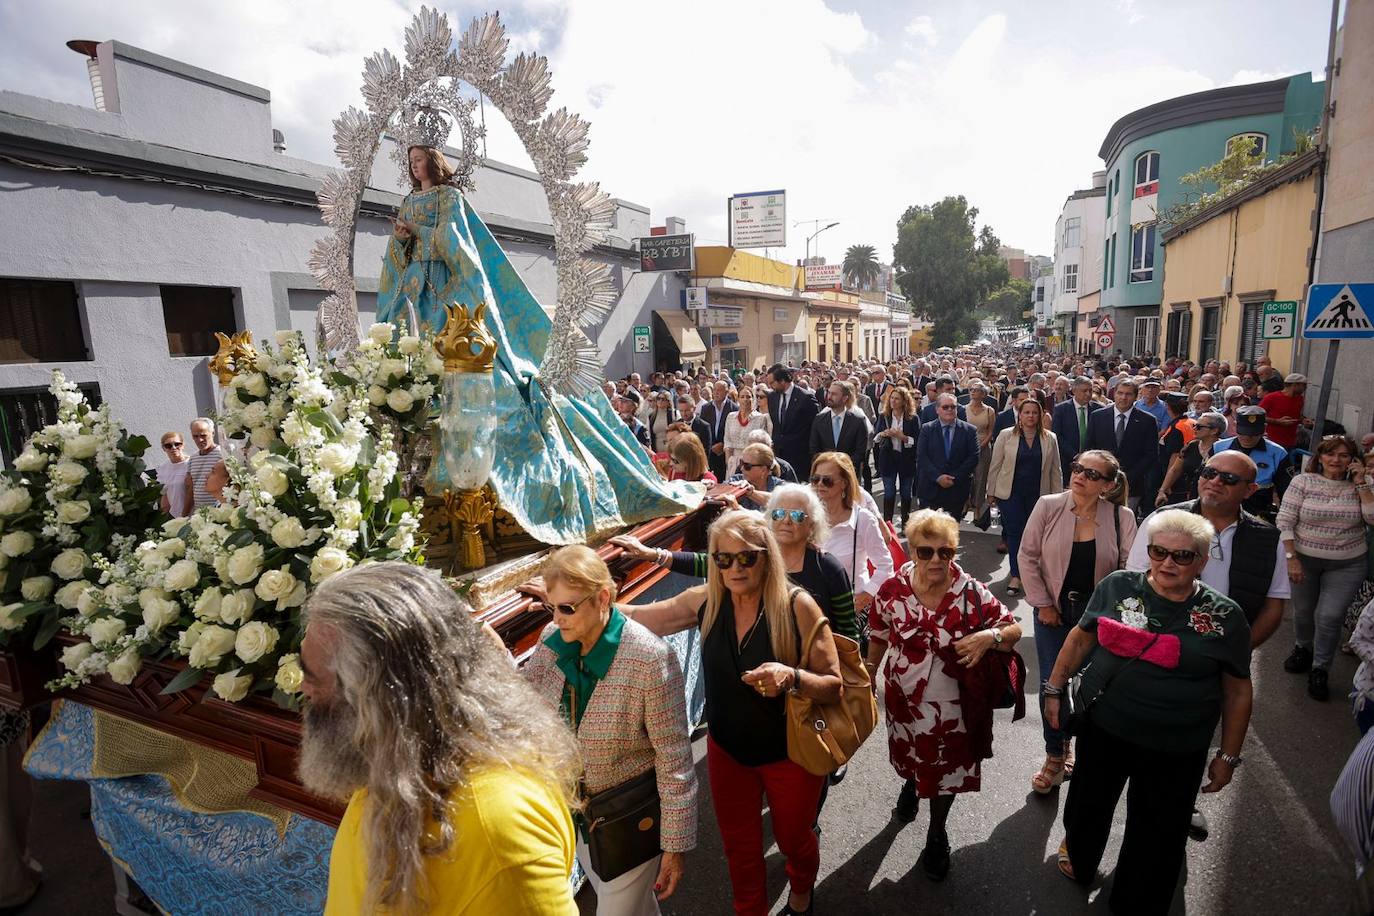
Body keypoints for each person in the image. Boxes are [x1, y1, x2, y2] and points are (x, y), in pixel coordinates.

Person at [299, 562, 581, 915]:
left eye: (311, 676)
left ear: (374, 698)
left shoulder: (499, 832)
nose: (302, 689)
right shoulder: (391, 757)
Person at [622, 511, 842, 916]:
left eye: (747, 557)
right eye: (723, 559)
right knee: (739, 848)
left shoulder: (798, 606)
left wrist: (791, 676)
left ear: (767, 557)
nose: (734, 568)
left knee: (794, 838)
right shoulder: (706, 600)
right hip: (728, 754)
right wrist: (568, 598)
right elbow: (636, 618)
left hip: (790, 754)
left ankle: (802, 889)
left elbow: (833, 683)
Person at [1044, 510, 1252, 915]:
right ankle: (1082, 859)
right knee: (1087, 805)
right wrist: (1054, 689)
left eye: (1182, 556)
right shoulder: (1119, 586)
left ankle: (1133, 899)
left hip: (1177, 746)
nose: (1168, 563)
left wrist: (1226, 756)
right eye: (1159, 552)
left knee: (1157, 833)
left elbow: (1238, 689)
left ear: (1202, 561)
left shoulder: (1225, 616)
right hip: (1106, 729)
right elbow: (1079, 638)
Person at [523, 547, 696, 915]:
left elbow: (674, 758)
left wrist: (675, 845)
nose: (557, 618)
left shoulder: (649, 657)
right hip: (577, 815)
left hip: (627, 817)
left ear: (602, 598)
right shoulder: (554, 638)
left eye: (567, 607)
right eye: (551, 607)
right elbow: (524, 703)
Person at [866, 510, 1022, 881]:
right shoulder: (892, 590)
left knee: (948, 770)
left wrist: (989, 637)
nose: (936, 560)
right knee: (909, 756)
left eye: (945, 552)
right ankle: (910, 781)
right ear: (912, 551)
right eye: (925, 552)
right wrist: (867, 677)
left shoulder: (971, 593)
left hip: (955, 707)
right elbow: (876, 635)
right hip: (902, 700)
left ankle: (937, 834)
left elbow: (1011, 628)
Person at [1017, 450, 1136, 795]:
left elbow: (1130, 569)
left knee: (1093, 689)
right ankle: (1055, 753)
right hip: (1052, 612)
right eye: (1077, 468)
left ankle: (1089, 754)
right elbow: (1027, 555)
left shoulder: (1121, 517)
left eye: (1092, 474)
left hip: (1100, 618)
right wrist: (1041, 604)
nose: (1080, 476)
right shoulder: (1048, 505)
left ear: (1109, 485)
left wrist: (1111, 614)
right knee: (1053, 684)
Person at [1278, 435, 1374, 701]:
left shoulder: (1364, 485)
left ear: (1353, 460)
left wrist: (1360, 483)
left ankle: (1320, 668)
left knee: (1329, 617)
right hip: (1304, 559)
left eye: (1344, 456)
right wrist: (1291, 557)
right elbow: (1285, 520)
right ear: (1319, 457)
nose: (1336, 460)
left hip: (1348, 562)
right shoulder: (1302, 482)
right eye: (1331, 454)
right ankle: (1303, 648)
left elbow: (1372, 518)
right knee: (1304, 611)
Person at [987, 398, 1064, 596]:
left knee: (1035, 535)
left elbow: (1056, 470)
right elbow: (995, 465)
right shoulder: (1006, 435)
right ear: (1019, 415)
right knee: (1015, 532)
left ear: (1040, 416)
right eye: (1026, 412)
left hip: (1039, 495)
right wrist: (991, 491)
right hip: (1010, 494)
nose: (1030, 416)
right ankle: (1016, 575)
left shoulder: (1050, 438)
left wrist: (1058, 498)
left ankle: (1033, 573)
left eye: (1034, 412)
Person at [811, 452, 894, 625]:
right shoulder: (807, 517)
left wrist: (866, 596)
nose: (820, 485)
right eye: (815, 479)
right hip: (811, 610)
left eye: (827, 480)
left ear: (844, 483)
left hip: (847, 612)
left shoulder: (862, 520)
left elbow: (886, 566)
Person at [1085, 380, 1159, 515]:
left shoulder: (1147, 420)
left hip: (1132, 485)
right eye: (1120, 393)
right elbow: (1089, 448)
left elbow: (1151, 454)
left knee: (1124, 524)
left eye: (1128, 394)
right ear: (1114, 394)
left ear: (1136, 396)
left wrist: (1128, 477)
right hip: (1100, 482)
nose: (1123, 397)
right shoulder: (1098, 416)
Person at [1214, 406, 1287, 519]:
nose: (1247, 438)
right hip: (1222, 505)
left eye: (1253, 434)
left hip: (1259, 510)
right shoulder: (1218, 448)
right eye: (1243, 433)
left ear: (1264, 429)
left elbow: (1285, 492)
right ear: (1235, 425)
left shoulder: (1278, 454)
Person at [915, 394, 980, 518]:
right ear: (937, 409)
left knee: (950, 533)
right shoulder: (927, 429)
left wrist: (953, 478)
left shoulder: (970, 430)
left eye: (953, 407)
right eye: (945, 407)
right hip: (930, 489)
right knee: (929, 533)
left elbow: (973, 457)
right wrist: (938, 477)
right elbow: (922, 456)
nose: (950, 410)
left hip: (957, 490)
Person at [872, 385, 921, 526]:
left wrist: (903, 437)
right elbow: (876, 438)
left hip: (907, 459)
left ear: (904, 401)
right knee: (889, 492)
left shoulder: (913, 418)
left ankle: (906, 521)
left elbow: (918, 441)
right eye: (892, 398)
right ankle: (887, 523)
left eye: (897, 399)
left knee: (906, 492)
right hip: (888, 458)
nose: (893, 401)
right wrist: (883, 434)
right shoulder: (884, 416)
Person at [1156, 411, 1224, 506]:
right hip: (1188, 498)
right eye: (1194, 426)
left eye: (1199, 427)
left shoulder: (1223, 449)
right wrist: (1162, 490)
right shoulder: (1190, 446)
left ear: (1214, 430)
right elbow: (1175, 470)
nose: (1194, 429)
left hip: (1213, 500)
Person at [809, 381, 870, 485]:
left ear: (845, 398)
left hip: (848, 475)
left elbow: (860, 451)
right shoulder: (819, 419)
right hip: (825, 475)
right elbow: (814, 447)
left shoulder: (858, 421)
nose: (829, 397)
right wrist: (826, 466)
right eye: (829, 393)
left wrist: (842, 466)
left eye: (834, 394)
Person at [768, 365, 820, 482]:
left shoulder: (805, 398)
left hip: (800, 457)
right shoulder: (772, 397)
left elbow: (815, 427)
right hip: (779, 456)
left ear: (782, 381)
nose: (770, 386)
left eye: (772, 383)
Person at [1051, 377, 1102, 484]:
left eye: (1090, 390)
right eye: (1084, 391)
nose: (1088, 394)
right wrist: (1074, 455)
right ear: (1074, 391)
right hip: (1067, 461)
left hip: (1092, 463)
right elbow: (1057, 435)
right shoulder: (1061, 409)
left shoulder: (1099, 410)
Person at [965, 382, 999, 513]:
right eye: (971, 389)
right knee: (965, 476)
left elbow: (991, 431)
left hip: (983, 447)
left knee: (980, 478)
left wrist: (981, 445)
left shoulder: (989, 410)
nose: (973, 392)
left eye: (977, 390)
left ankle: (977, 506)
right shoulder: (963, 409)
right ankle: (965, 502)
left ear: (983, 394)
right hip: (965, 448)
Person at [723, 387, 772, 479]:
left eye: (748, 397)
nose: (745, 399)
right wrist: (729, 461)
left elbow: (761, 444)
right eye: (742, 397)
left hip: (751, 463)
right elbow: (727, 441)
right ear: (738, 399)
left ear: (753, 399)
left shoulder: (761, 418)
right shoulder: (731, 416)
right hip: (733, 461)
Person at [1259, 372, 1308, 451]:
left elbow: (1297, 415)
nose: (1306, 388)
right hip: (1272, 441)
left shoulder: (1300, 399)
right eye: (1304, 385)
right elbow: (1258, 416)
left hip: (1291, 442)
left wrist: (1303, 420)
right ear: (1295, 385)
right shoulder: (1271, 397)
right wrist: (1277, 421)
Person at [729, 443, 787, 511]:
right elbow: (720, 491)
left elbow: (782, 502)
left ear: (763, 470)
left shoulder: (779, 486)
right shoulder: (737, 480)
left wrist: (750, 492)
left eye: (747, 466)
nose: (742, 468)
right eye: (741, 463)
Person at [700, 381, 738, 482]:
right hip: (710, 452)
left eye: (719, 390)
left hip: (726, 452)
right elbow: (703, 430)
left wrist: (723, 444)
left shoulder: (734, 408)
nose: (716, 393)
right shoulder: (706, 408)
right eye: (715, 390)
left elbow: (735, 431)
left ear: (726, 392)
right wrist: (712, 445)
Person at [186, 417, 223, 510]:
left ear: (213, 433)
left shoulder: (223, 454)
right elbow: (191, 489)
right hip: (200, 513)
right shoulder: (192, 458)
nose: (200, 440)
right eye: (195, 436)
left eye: (203, 435)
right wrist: (184, 515)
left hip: (220, 511)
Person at [155, 430, 192, 518]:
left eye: (177, 444)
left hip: (193, 514)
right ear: (164, 448)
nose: (173, 448)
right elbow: (164, 493)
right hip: (175, 516)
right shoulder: (163, 468)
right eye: (168, 446)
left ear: (183, 445)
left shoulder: (191, 464)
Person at [675, 394, 713, 459]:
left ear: (694, 408)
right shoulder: (676, 424)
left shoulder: (704, 426)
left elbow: (706, 451)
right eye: (681, 411)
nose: (684, 414)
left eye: (687, 410)